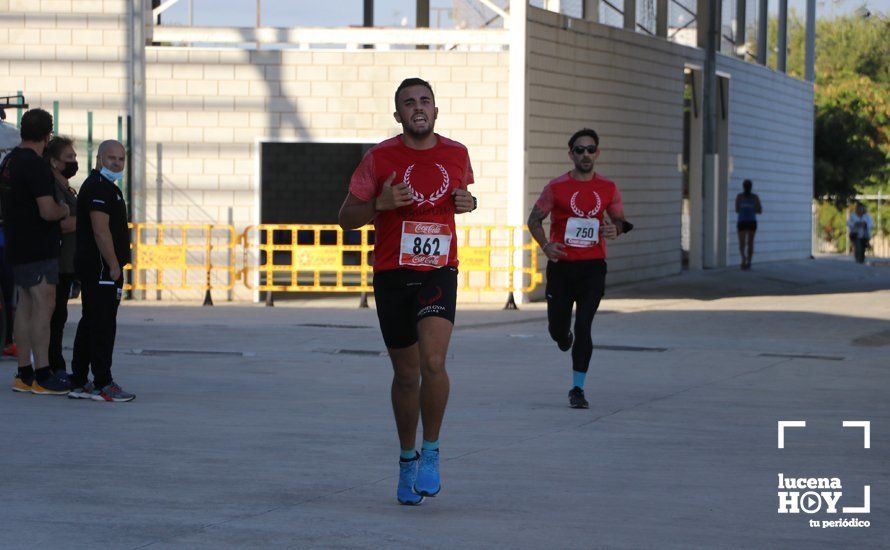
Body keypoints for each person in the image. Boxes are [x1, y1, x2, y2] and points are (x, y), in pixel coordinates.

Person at [338, 78, 476, 505]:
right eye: (408, 103)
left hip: (438, 270)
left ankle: (431, 452)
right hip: (393, 273)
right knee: (406, 374)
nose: (418, 107)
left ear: (436, 110)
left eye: (425, 101)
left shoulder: (457, 153)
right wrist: (379, 204)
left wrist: (467, 204)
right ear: (397, 115)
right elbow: (345, 218)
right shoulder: (379, 157)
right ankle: (406, 459)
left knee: (434, 361)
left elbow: (461, 197)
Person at [527, 128, 631, 409]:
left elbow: (621, 221)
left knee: (584, 325)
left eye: (590, 149)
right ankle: (563, 337)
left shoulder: (607, 188)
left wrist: (615, 229)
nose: (585, 154)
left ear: (597, 153)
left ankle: (577, 388)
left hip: (593, 268)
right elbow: (534, 219)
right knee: (558, 330)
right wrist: (546, 246)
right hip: (561, 268)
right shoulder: (556, 187)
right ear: (571, 154)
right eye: (579, 149)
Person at [0, 108, 71, 394]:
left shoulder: (9, 161)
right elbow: (47, 210)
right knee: (44, 306)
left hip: (15, 242)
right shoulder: (36, 165)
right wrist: (64, 208)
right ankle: (43, 373)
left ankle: (24, 372)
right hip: (39, 246)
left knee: (25, 306)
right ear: (47, 135)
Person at [68, 140, 134, 402]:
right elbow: (100, 229)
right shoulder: (98, 188)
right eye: (111, 158)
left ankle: (79, 380)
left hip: (100, 268)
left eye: (121, 159)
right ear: (99, 159)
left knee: (91, 321)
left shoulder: (107, 188)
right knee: (103, 325)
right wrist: (113, 265)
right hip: (101, 269)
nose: (117, 163)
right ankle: (102, 383)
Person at [44, 136, 79, 379]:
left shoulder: (64, 185)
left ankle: (55, 362)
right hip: (57, 261)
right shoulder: (53, 187)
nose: (74, 162)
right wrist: (86, 221)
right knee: (54, 316)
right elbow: (61, 224)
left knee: (61, 315)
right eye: (69, 158)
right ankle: (52, 364)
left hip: (67, 261)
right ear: (55, 162)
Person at [735, 179, 762, 270]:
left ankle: (748, 261)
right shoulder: (740, 197)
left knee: (749, 243)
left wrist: (749, 208)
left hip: (748, 221)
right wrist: (751, 208)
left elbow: (760, 210)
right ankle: (744, 259)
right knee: (743, 243)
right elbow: (737, 209)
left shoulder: (754, 197)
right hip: (744, 221)